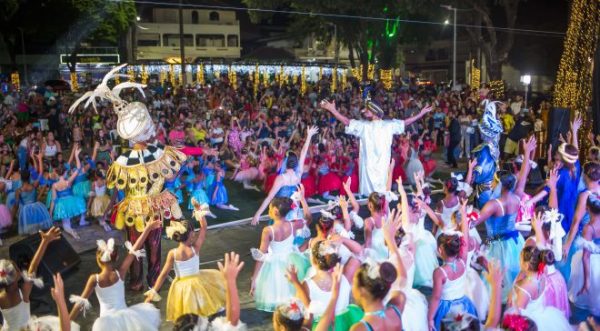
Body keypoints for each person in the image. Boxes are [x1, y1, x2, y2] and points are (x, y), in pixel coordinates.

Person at [320, 90, 431, 196]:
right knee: (381, 197)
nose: (365, 111)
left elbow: (346, 121)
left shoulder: (366, 126)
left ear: (374, 112)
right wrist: (420, 114)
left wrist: (333, 110)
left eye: (367, 109)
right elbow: (405, 123)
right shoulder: (385, 125)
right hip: (380, 168)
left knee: (372, 198)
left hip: (372, 168)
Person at [69, 220, 161, 331]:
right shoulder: (120, 273)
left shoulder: (95, 279)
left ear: (98, 259)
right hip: (126, 320)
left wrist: (67, 321)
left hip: (105, 325)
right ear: (116, 258)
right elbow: (136, 247)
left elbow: (80, 303)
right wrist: (148, 229)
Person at [145, 216, 226, 320]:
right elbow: (204, 227)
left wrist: (153, 292)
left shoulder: (173, 253)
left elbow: (163, 274)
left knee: (188, 309)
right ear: (191, 234)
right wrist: (199, 211)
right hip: (198, 282)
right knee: (199, 305)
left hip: (182, 287)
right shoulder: (195, 248)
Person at [250, 197, 311, 312]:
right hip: (291, 260)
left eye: (269, 208)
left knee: (277, 290)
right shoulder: (294, 224)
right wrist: (303, 199)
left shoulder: (268, 230)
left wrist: (254, 278)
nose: (268, 210)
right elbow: (308, 218)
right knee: (291, 289)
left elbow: (261, 256)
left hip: (274, 263)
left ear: (275, 211)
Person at [0, 227, 64, 331]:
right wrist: (45, 241)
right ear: (17, 275)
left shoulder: (1, 298)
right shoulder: (24, 291)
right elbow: (33, 266)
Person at [474, 174, 525, 302]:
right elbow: (523, 177)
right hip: (515, 243)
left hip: (498, 245)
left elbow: (474, 222)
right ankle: (514, 296)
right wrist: (528, 155)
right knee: (514, 270)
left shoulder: (493, 205)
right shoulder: (517, 197)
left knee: (499, 273)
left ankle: (498, 299)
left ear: (499, 184)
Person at [251, 127, 317, 225]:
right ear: (295, 164)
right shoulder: (298, 175)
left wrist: (257, 214)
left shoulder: (281, 179)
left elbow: (269, 197)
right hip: (294, 210)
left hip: (282, 211)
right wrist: (309, 136)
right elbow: (303, 153)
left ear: (285, 163)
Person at [568, 192, 600, 316]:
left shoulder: (589, 228)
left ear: (587, 209)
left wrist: (587, 281)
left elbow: (586, 257)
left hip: (593, 264)